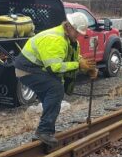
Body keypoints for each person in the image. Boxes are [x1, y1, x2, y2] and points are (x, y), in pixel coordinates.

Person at [13, 13, 98, 146]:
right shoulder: (56, 39)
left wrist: (86, 66)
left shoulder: (69, 38)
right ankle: (44, 131)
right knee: (55, 89)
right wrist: (78, 65)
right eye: (77, 32)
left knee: (52, 98)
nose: (79, 35)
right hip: (27, 70)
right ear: (69, 27)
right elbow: (54, 67)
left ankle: (46, 131)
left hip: (36, 69)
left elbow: (74, 55)